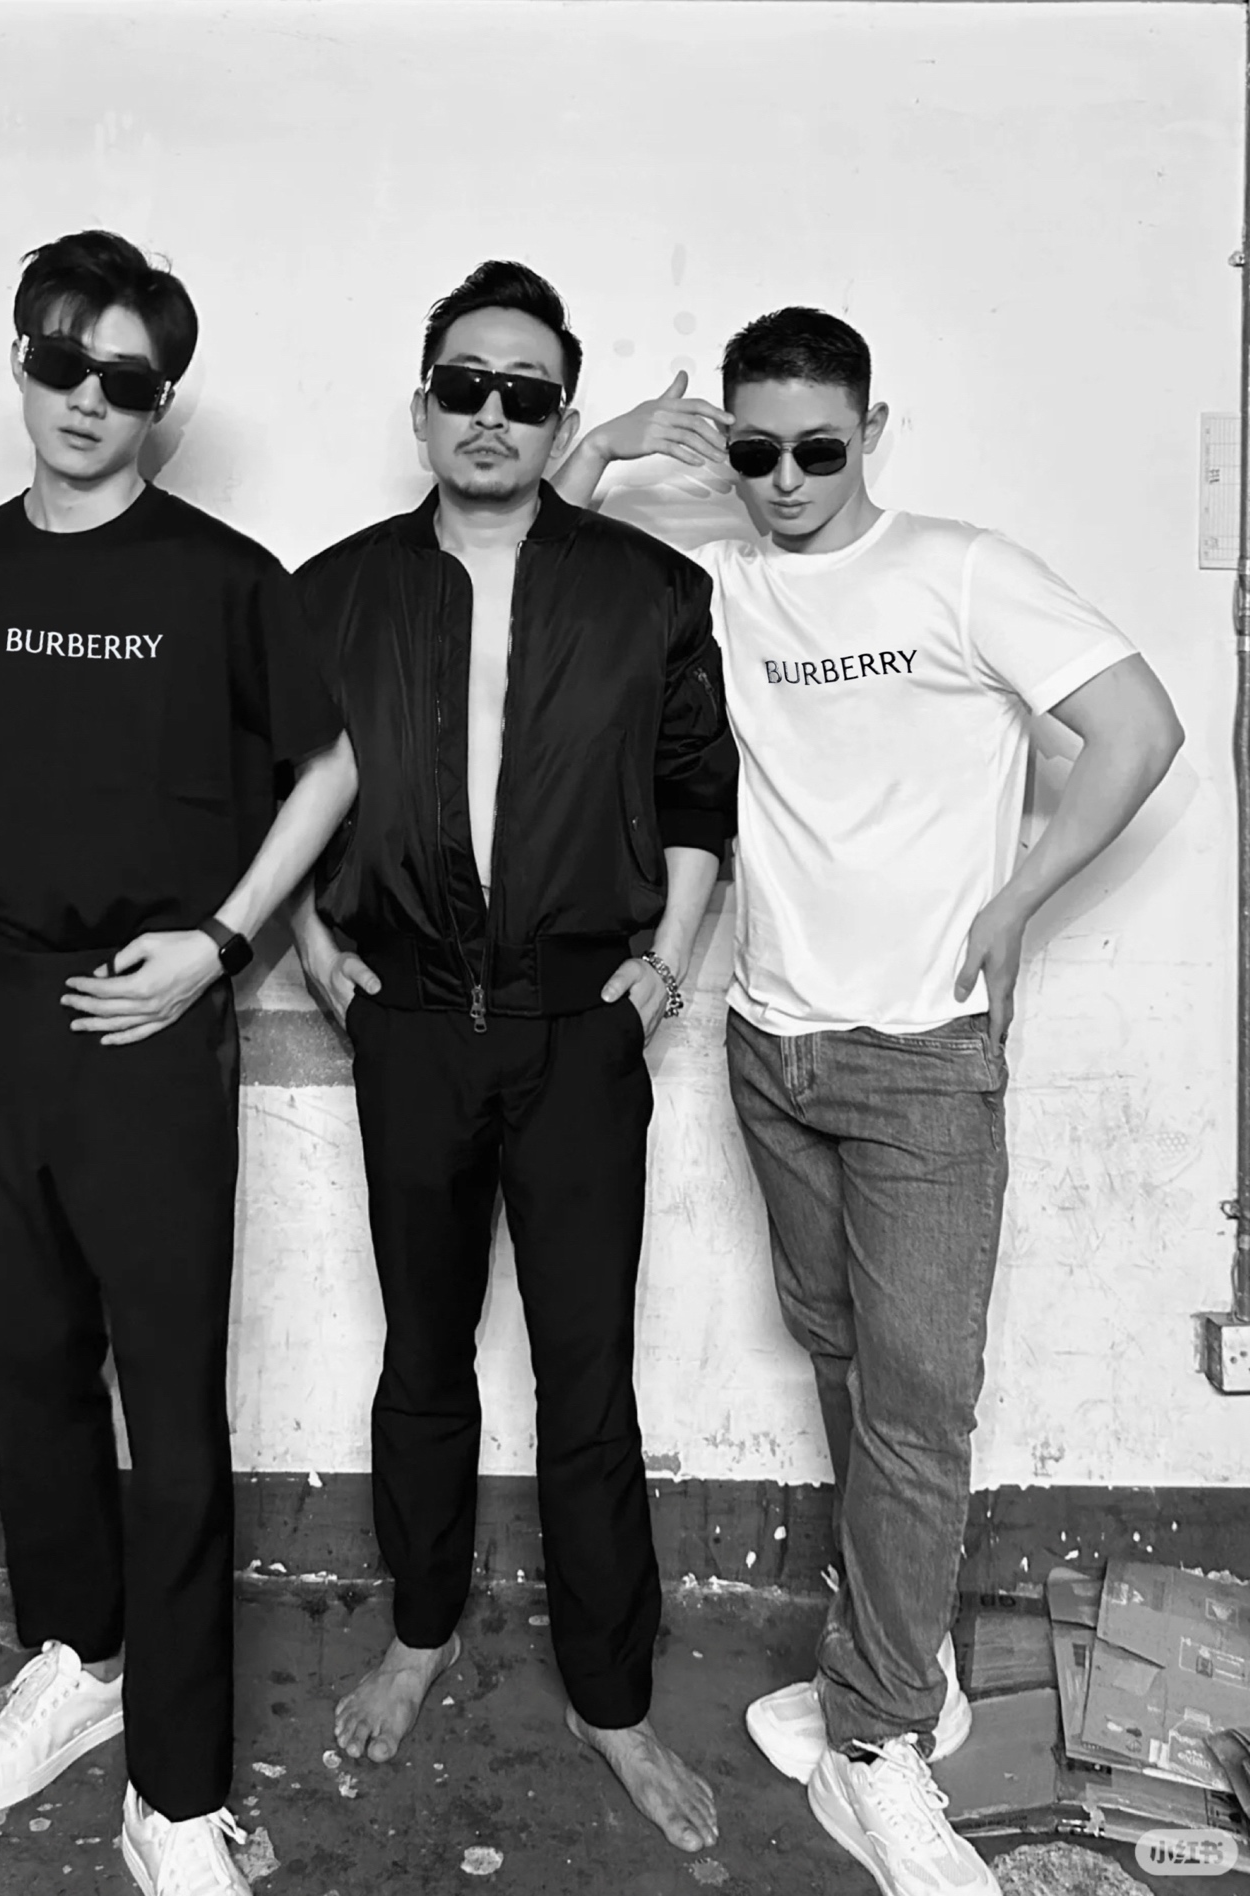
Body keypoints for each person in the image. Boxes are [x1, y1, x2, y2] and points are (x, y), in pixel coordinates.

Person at [553, 306, 1183, 1896]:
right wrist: (608, 447)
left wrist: (1021, 899)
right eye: (755, 451)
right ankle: (901, 1657)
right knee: (843, 1365)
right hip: (772, 1049)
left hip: (921, 1062)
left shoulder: (958, 571)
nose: (784, 479)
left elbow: (1140, 726)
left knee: (916, 1410)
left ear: (873, 434)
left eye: (818, 450)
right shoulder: (720, 582)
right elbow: (520, 555)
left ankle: (879, 1738)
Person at [0, 229, 358, 1896]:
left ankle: (175, 1790)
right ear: (20, 359)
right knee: (28, 1363)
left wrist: (222, 943)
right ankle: (79, 1663)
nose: (86, 398)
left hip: (154, 1020)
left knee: (168, 1407)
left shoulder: (227, 579)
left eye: (126, 379)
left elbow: (330, 768)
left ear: (164, 403)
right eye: (60, 361)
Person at [288, 260, 738, 1854]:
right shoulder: (333, 592)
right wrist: (312, 949)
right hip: (408, 1024)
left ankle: (613, 1699)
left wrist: (658, 974)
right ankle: (420, 1631)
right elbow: (282, 789)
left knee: (585, 1373)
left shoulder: (645, 591)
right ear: (423, 405)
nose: (491, 414)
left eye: (525, 395)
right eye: (464, 387)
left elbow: (697, 798)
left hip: (576, 1030)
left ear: (559, 417)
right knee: (422, 1359)